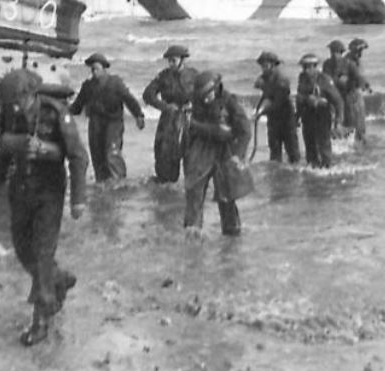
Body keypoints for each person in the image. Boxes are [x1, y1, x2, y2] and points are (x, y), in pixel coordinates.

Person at [0, 68, 88, 346]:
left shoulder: (56, 113)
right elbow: (3, 147)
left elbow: (77, 156)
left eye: (19, 100)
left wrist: (78, 199)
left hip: (49, 191)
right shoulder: (11, 111)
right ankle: (58, 279)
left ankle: (42, 320)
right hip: (20, 189)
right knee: (23, 250)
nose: (14, 106)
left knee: (43, 254)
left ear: (32, 94)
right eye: (10, 101)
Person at [183, 70, 252, 237]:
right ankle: (193, 230)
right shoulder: (195, 101)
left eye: (208, 94)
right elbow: (189, 129)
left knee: (226, 194)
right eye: (202, 95)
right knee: (194, 190)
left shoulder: (229, 101)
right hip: (202, 148)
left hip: (224, 150)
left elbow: (245, 130)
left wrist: (239, 154)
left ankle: (231, 233)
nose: (206, 98)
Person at [70, 53, 145, 183]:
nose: (94, 72)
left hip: (113, 122)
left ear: (104, 68)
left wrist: (138, 115)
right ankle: (102, 183)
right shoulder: (87, 86)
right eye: (92, 69)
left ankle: (118, 182)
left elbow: (129, 99)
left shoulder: (115, 82)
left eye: (96, 69)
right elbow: (77, 106)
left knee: (112, 153)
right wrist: (63, 109)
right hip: (95, 123)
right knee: (97, 156)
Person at [142, 45, 198, 182]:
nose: (171, 64)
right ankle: (167, 187)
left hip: (189, 119)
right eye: (169, 61)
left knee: (191, 157)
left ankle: (191, 187)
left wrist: (194, 105)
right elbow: (148, 94)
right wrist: (164, 107)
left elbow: (204, 94)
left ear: (182, 60)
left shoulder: (194, 75)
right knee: (165, 156)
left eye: (174, 60)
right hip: (169, 120)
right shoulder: (164, 76)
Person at [295, 53, 344, 168]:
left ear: (315, 66)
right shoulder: (302, 78)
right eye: (304, 67)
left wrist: (338, 122)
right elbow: (300, 97)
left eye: (308, 67)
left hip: (322, 115)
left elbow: (338, 101)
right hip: (307, 116)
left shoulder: (324, 80)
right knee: (309, 145)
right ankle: (313, 170)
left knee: (324, 145)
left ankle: (327, 169)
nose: (306, 70)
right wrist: (296, 117)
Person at [254, 51, 299, 163]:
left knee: (292, 150)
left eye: (265, 65)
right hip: (273, 118)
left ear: (272, 65)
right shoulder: (266, 76)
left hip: (286, 117)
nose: (263, 68)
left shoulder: (281, 80)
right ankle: (276, 172)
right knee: (274, 149)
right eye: (262, 66)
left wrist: (261, 112)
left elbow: (278, 103)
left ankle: (296, 172)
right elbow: (259, 85)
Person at [343, 38, 371, 143]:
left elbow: (361, 76)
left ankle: (360, 140)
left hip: (357, 94)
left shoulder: (357, 61)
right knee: (353, 122)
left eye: (361, 51)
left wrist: (366, 84)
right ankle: (356, 143)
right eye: (358, 51)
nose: (360, 54)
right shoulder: (347, 61)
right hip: (350, 95)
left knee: (360, 121)